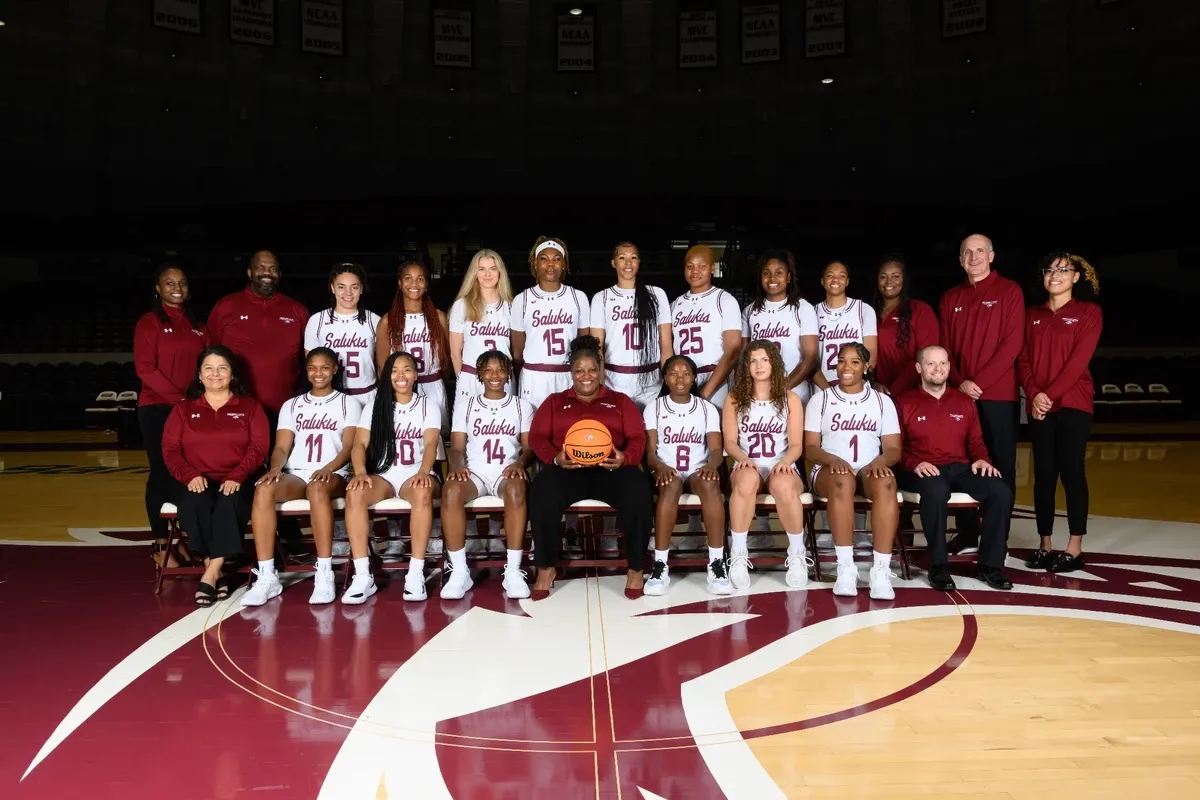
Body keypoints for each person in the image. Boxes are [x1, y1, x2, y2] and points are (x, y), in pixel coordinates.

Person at [526, 336, 652, 598]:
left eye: (592, 370)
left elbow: (638, 438)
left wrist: (625, 458)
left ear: (601, 371)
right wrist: (554, 458)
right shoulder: (555, 401)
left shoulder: (620, 401)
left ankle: (636, 568)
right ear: (571, 373)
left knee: (639, 490)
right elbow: (537, 437)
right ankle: (546, 566)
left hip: (610, 468)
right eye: (579, 370)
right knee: (541, 492)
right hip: (568, 468)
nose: (586, 376)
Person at [242, 349, 361, 607]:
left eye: (324, 367)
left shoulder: (347, 403)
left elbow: (349, 447)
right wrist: (275, 468)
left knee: (317, 489)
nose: (318, 373)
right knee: (263, 489)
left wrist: (329, 468)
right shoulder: (292, 405)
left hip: (332, 474)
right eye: (313, 368)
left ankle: (324, 572)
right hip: (296, 474)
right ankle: (267, 576)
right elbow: (282, 447)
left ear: (335, 370)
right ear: (306, 371)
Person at [895, 345, 1014, 591]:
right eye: (931, 364)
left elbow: (976, 442)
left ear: (949, 367)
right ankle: (938, 566)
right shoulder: (904, 402)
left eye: (943, 363)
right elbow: (895, 448)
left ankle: (990, 566)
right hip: (921, 469)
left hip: (960, 467)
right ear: (919, 368)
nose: (938, 369)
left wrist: (982, 459)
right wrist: (915, 463)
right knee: (937, 491)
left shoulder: (964, 401)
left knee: (1001, 492)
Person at [161, 346, 269, 606]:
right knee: (195, 502)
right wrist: (189, 475)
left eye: (222, 368)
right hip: (198, 478)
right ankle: (217, 571)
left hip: (239, 478)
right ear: (199, 375)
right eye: (208, 368)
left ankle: (209, 574)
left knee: (229, 502)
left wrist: (238, 475)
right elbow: (170, 449)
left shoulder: (250, 407)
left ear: (232, 374)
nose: (215, 373)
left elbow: (259, 447)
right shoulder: (183, 409)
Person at [939, 234, 1025, 555]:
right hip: (960, 396)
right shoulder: (950, 297)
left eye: (979, 251)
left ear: (991, 256)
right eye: (967, 253)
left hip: (998, 397)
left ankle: (995, 539)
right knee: (962, 465)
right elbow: (944, 345)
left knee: (999, 466)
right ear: (960, 260)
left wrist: (978, 383)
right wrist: (960, 383)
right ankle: (966, 534)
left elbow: (1012, 345)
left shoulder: (1010, 291)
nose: (974, 257)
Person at [1018, 252, 1103, 574]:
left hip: (1073, 403)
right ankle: (1045, 543)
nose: (1055, 275)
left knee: (1071, 472)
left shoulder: (1088, 312)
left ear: (1076, 277)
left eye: (1063, 270)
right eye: (1050, 270)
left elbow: (1078, 362)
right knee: (1044, 476)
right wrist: (1034, 393)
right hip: (1039, 405)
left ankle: (1075, 546)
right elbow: (1022, 358)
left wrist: (1047, 395)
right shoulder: (1032, 314)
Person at [342, 351, 443, 604]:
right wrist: (361, 472)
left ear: (416, 375)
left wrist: (423, 471)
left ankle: (415, 572)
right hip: (384, 475)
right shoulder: (375, 407)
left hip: (415, 474)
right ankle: (363, 575)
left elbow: (431, 444)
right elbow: (359, 445)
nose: (401, 375)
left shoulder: (427, 405)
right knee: (354, 492)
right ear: (387, 375)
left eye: (407, 369)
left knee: (422, 491)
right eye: (395, 370)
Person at [804, 342, 901, 599]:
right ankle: (846, 567)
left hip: (868, 469)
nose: (846, 367)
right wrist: (831, 459)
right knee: (842, 480)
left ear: (866, 367)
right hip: (828, 472)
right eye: (842, 361)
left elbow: (893, 449)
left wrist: (880, 463)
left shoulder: (882, 402)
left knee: (887, 483)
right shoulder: (820, 400)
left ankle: (880, 572)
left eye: (855, 362)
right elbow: (810, 448)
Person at [442, 351, 536, 600]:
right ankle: (460, 571)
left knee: (517, 490)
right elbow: (457, 448)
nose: (495, 375)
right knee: (451, 491)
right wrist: (458, 465)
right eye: (488, 370)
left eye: (500, 370)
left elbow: (529, 449)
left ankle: (513, 571)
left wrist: (520, 462)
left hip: (506, 470)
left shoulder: (521, 405)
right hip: (475, 473)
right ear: (480, 375)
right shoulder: (466, 406)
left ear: (508, 374)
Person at [134, 261, 210, 568]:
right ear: (157, 288)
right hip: (157, 408)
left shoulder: (198, 326)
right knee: (161, 473)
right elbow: (145, 369)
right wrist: (179, 399)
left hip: (189, 411)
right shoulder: (149, 322)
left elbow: (207, 366)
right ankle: (159, 543)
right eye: (170, 283)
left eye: (182, 283)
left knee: (188, 473)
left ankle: (181, 541)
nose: (177, 289)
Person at [723, 342, 810, 590]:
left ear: (774, 363)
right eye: (753, 361)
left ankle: (796, 554)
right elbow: (729, 441)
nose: (759, 366)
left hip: (780, 464)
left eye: (764, 360)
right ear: (746, 366)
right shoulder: (734, 398)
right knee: (747, 479)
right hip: (747, 463)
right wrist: (742, 458)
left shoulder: (790, 399)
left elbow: (796, 445)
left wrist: (784, 462)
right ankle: (739, 555)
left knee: (783, 484)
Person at [642, 355, 730, 596]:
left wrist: (712, 466)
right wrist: (659, 466)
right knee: (670, 486)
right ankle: (660, 565)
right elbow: (649, 452)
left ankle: (716, 563)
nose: (679, 378)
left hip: (696, 470)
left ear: (694, 379)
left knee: (711, 484)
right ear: (665, 378)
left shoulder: (707, 408)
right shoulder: (654, 407)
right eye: (673, 373)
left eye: (686, 374)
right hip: (666, 470)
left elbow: (714, 450)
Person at [207, 250, 309, 420]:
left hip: (285, 410)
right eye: (261, 268)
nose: (267, 273)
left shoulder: (297, 310)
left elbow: (307, 359)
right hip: (235, 408)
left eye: (273, 268)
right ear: (250, 272)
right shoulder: (226, 306)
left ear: (279, 274)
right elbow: (211, 353)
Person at [590, 241, 673, 410]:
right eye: (622, 258)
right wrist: (599, 383)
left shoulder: (656, 294)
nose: (628, 263)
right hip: (615, 380)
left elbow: (665, 345)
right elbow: (596, 347)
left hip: (651, 380)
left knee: (650, 433)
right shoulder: (602, 297)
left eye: (633, 257)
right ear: (613, 263)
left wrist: (668, 379)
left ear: (639, 263)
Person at [511, 237, 591, 408]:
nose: (550, 264)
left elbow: (585, 345)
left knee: (569, 430)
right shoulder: (522, 300)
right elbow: (517, 352)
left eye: (556, 259)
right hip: (534, 377)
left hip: (568, 375)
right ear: (535, 263)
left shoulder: (578, 297)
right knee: (534, 430)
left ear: (564, 264)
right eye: (544, 258)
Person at [741, 248, 819, 405]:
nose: (772, 278)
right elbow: (744, 357)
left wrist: (781, 388)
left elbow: (810, 358)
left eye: (779, 272)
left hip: (795, 392)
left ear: (789, 276)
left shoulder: (803, 308)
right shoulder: (750, 311)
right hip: (759, 394)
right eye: (766, 273)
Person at [376, 261, 451, 418]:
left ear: (426, 284)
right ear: (400, 283)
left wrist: (437, 380)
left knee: (436, 439)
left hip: (433, 386)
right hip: (402, 388)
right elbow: (383, 368)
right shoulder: (387, 321)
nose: (414, 283)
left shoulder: (439, 317)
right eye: (408, 278)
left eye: (420, 279)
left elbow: (446, 360)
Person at [670, 245, 741, 408]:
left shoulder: (724, 300)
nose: (695, 271)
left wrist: (705, 392)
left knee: (716, 431)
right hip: (684, 381)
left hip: (716, 380)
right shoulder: (675, 305)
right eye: (690, 266)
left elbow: (733, 350)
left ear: (712, 268)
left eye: (701, 266)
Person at [304, 262, 380, 398]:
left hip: (367, 394)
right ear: (332, 288)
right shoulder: (317, 321)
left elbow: (383, 365)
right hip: (331, 395)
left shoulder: (374, 320)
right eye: (341, 287)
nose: (348, 293)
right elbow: (312, 367)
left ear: (361, 289)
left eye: (354, 287)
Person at [448, 249, 514, 404]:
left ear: (500, 273)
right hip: (471, 377)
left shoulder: (511, 307)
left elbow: (517, 350)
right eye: (482, 269)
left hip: (503, 378)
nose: (487, 274)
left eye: (493, 269)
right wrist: (463, 379)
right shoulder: (462, 305)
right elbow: (455, 353)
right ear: (474, 273)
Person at [873, 255, 938, 396]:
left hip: (913, 394)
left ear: (904, 279)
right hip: (877, 393)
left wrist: (894, 391)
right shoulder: (868, 312)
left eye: (896, 276)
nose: (889, 281)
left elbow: (927, 357)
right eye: (883, 276)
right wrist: (872, 384)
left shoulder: (920, 310)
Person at [813, 261, 878, 391]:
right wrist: (829, 391)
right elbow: (809, 361)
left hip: (858, 386)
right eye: (830, 275)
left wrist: (855, 385)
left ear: (847, 281)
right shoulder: (811, 312)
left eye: (841, 276)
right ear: (822, 281)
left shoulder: (863, 310)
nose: (835, 279)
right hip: (822, 387)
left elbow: (871, 354)